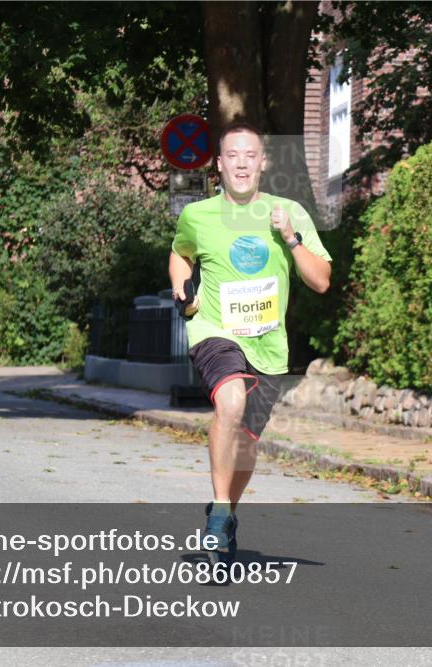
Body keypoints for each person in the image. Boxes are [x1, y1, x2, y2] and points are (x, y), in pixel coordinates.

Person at [169, 122, 332, 563]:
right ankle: (220, 514)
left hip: (268, 345)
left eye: (250, 155)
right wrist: (184, 294)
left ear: (263, 163)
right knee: (231, 401)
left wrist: (290, 238)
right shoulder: (197, 216)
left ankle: (226, 514)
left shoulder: (289, 212)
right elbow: (180, 254)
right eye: (232, 156)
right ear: (219, 165)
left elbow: (320, 281)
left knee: (247, 443)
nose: (241, 163)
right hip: (215, 332)